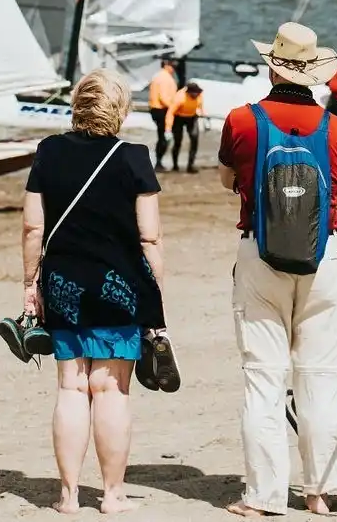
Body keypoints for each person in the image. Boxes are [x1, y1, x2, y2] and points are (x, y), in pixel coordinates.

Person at [218, 22, 337, 518]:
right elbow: (335, 185)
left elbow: (228, 178)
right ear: (314, 72)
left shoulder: (242, 121)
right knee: (321, 374)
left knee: (263, 377)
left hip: (261, 250)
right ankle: (319, 492)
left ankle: (263, 498)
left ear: (271, 67)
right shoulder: (336, 128)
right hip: (323, 254)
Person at [21, 69, 172, 515]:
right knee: (110, 391)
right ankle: (112, 495)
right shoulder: (133, 157)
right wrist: (155, 296)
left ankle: (68, 496)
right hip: (119, 287)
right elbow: (150, 238)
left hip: (63, 285)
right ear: (120, 110)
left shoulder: (49, 152)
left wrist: (30, 285)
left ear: (77, 106)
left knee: (71, 386)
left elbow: (33, 227)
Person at [164, 81, 205, 173]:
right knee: (178, 141)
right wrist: (168, 129)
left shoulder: (199, 94)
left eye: (197, 93)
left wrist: (203, 115)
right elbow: (170, 113)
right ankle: (175, 165)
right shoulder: (180, 98)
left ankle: (190, 165)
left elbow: (200, 105)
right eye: (193, 93)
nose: (196, 95)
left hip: (192, 117)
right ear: (188, 92)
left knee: (194, 138)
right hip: (179, 118)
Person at [148, 57, 178, 172]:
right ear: (166, 65)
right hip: (162, 110)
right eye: (172, 65)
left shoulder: (158, 76)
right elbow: (163, 97)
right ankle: (159, 162)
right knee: (164, 136)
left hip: (155, 109)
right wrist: (174, 107)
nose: (173, 68)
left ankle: (159, 161)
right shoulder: (165, 78)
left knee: (162, 136)